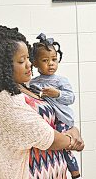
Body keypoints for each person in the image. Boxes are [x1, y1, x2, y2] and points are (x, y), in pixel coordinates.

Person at [0, 25, 84, 179]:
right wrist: (72, 140)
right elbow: (47, 138)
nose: (29, 64)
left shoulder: (26, 88)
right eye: (21, 61)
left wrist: (73, 130)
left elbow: (56, 117)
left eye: (28, 58)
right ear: (3, 66)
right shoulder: (4, 99)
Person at [29, 33, 81, 179]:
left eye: (54, 60)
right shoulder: (32, 83)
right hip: (47, 122)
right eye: (45, 60)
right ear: (35, 63)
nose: (51, 63)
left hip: (62, 119)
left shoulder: (61, 81)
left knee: (64, 147)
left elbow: (71, 98)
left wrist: (56, 93)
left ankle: (76, 174)